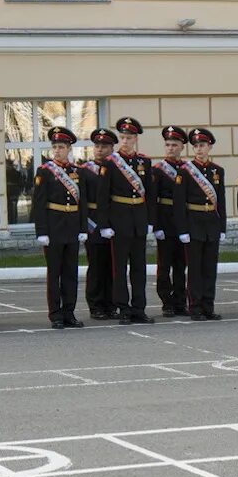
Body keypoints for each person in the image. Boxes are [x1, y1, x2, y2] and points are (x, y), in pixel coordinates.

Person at [96, 117, 157, 325]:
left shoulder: (144, 162)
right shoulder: (110, 163)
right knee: (119, 268)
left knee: (139, 267)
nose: (125, 141)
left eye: (129, 137)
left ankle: (139, 308)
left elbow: (150, 193)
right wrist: (104, 224)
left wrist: (150, 220)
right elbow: (103, 197)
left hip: (138, 220)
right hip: (119, 220)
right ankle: (123, 307)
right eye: (122, 137)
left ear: (135, 139)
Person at [32, 127, 88, 329]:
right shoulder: (44, 172)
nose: (57, 150)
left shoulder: (77, 172)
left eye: (61, 147)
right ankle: (55, 314)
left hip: (72, 227)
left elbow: (82, 202)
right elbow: (39, 204)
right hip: (54, 228)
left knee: (70, 273)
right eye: (54, 147)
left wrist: (83, 228)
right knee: (54, 273)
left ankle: (69, 312)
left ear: (69, 148)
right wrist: (42, 232)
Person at [175, 127, 225, 320]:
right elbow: (179, 204)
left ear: (209, 147)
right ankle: (195, 307)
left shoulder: (217, 171)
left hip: (211, 223)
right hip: (193, 223)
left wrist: (221, 227)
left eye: (202, 145)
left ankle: (208, 306)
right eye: (195, 146)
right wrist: (183, 229)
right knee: (195, 269)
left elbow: (220, 200)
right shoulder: (185, 171)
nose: (199, 149)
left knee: (209, 269)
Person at [80, 128, 118, 319]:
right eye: (97, 146)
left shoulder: (117, 168)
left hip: (115, 223)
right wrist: (88, 226)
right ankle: (96, 305)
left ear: (112, 148)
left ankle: (111, 304)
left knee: (113, 267)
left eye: (104, 146)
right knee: (96, 267)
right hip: (93, 224)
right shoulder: (85, 171)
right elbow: (82, 201)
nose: (100, 149)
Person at [153, 126, 188, 317]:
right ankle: (167, 302)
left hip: (182, 222)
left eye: (175, 144)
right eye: (167, 144)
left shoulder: (187, 169)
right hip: (165, 221)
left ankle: (181, 301)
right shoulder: (158, 170)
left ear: (182, 146)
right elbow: (153, 200)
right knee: (165, 265)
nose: (171, 148)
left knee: (181, 265)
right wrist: (157, 225)